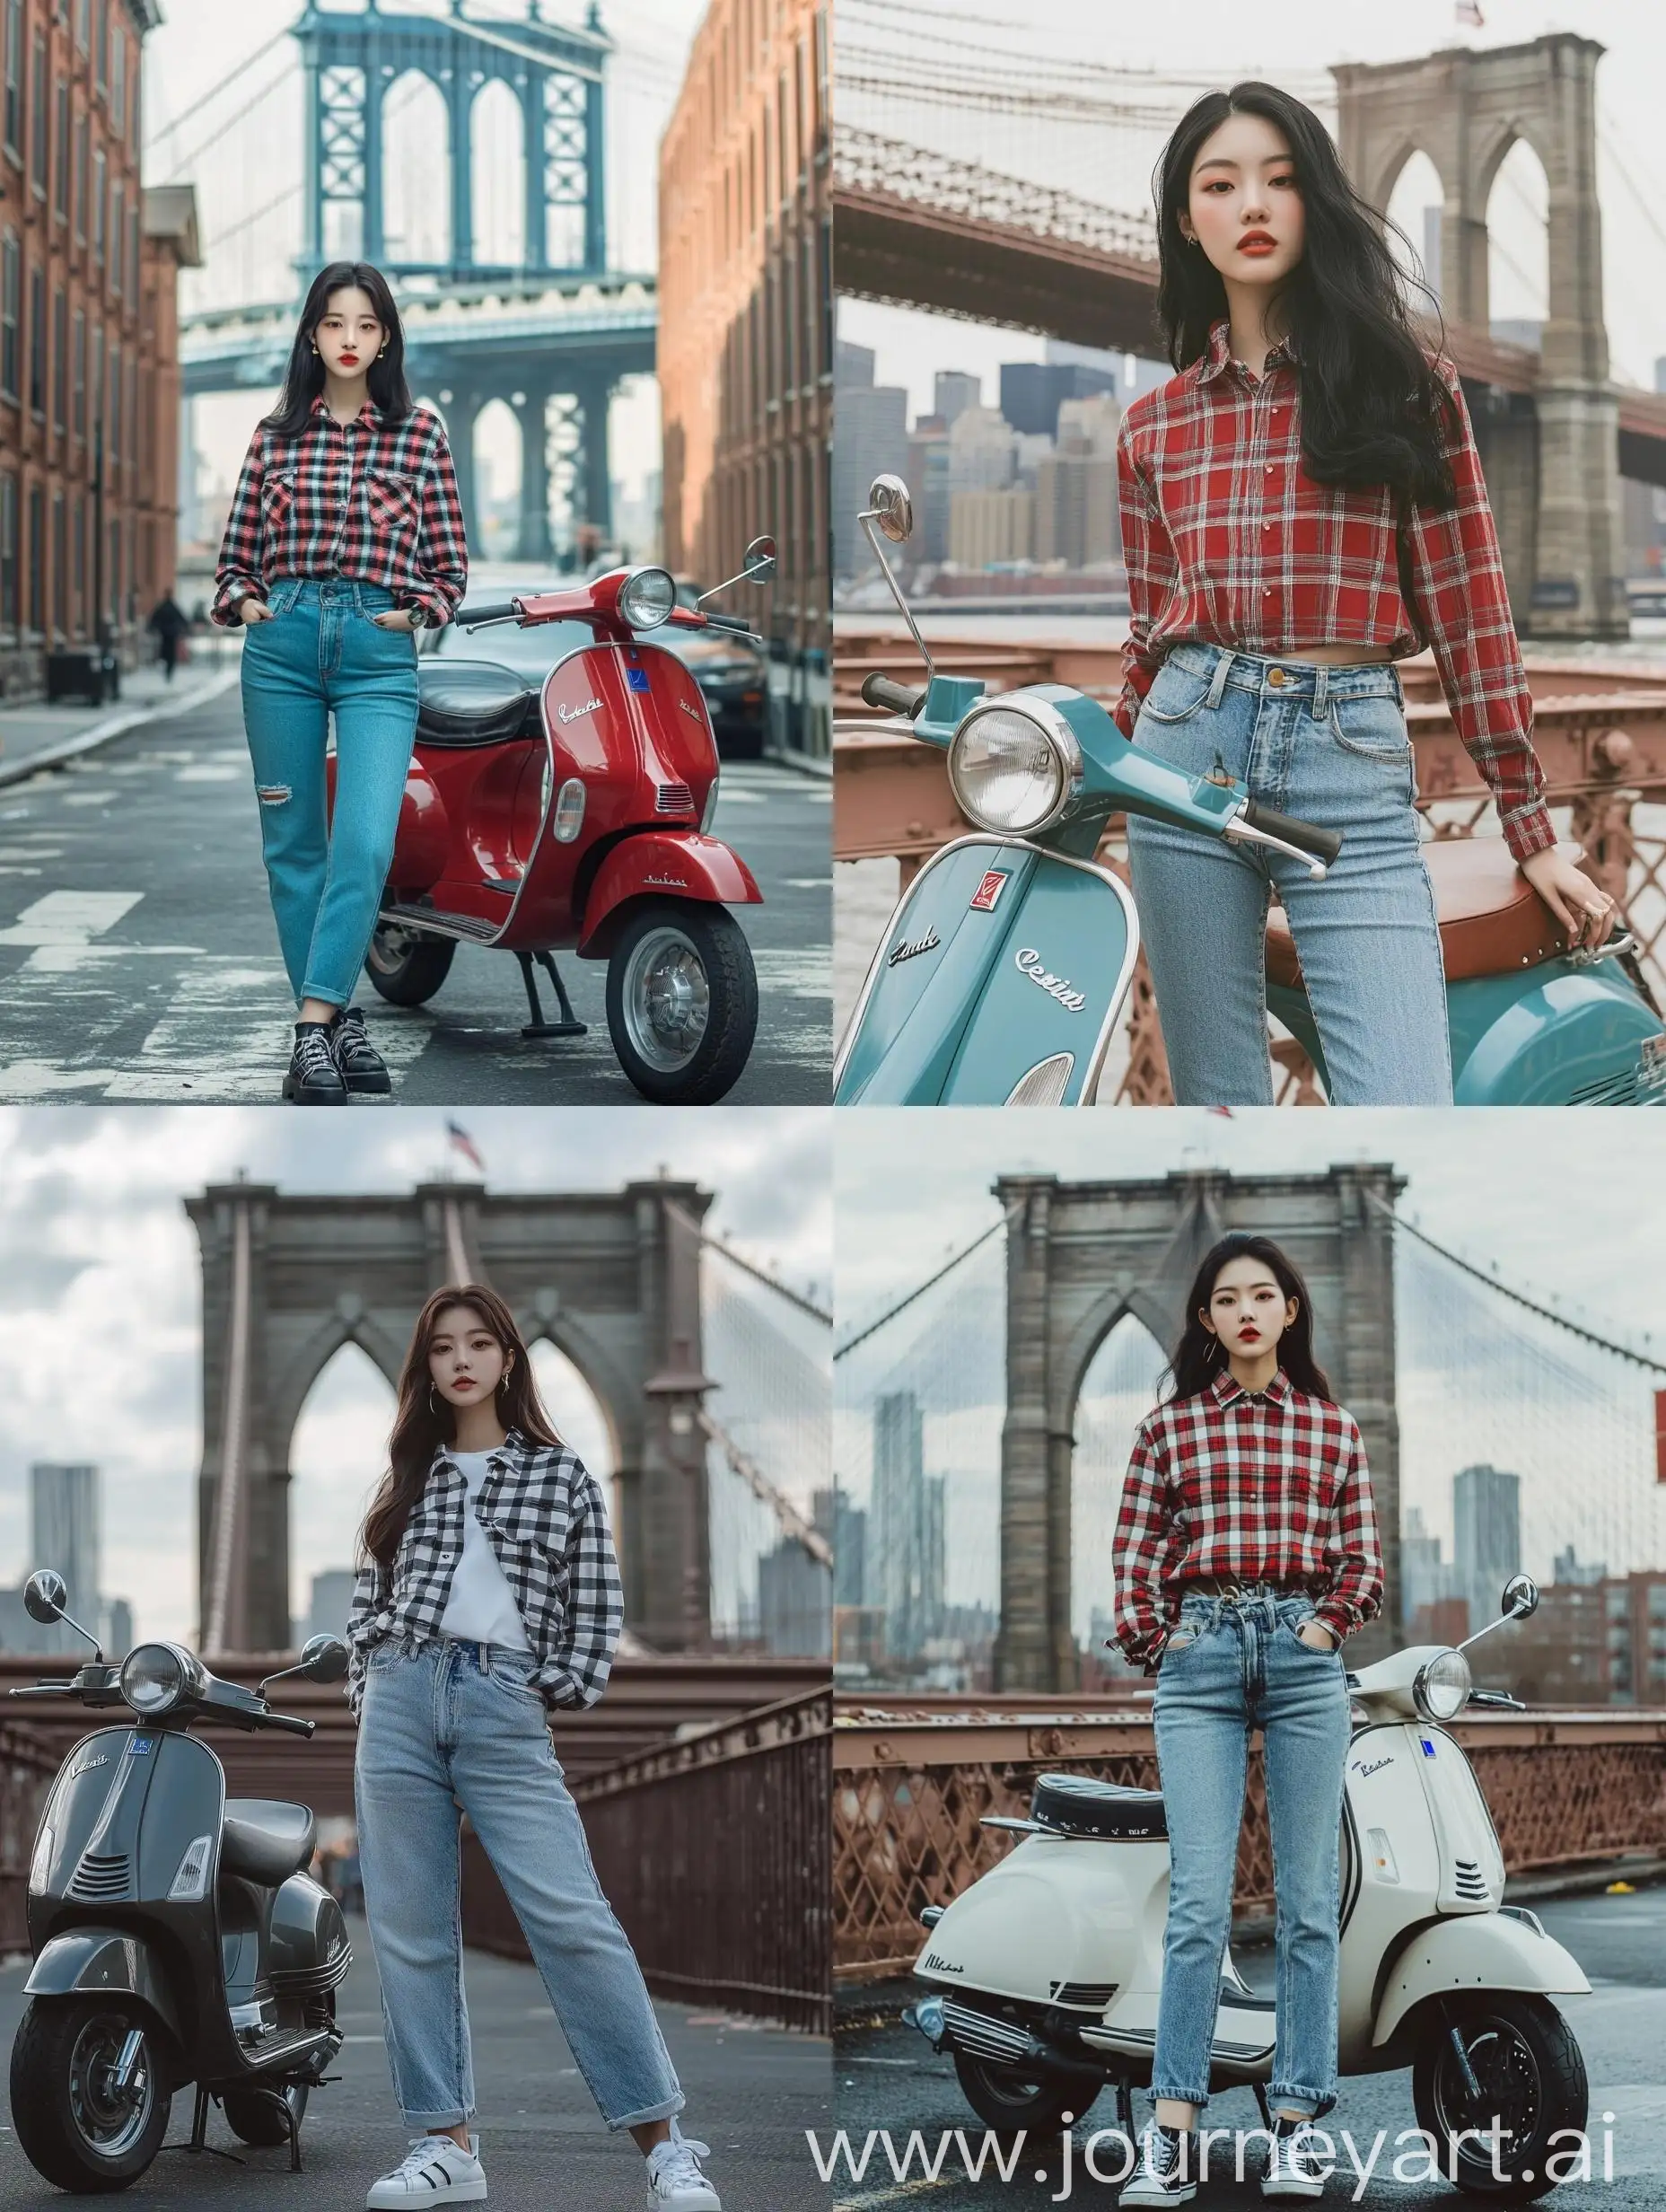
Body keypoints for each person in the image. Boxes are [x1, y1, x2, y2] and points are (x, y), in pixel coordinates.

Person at [1115, 83, 1618, 1107]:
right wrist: (1078, 780)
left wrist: (1531, 830)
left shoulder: (1405, 388)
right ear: (1185, 218)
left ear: (1315, 205)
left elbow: (1471, 617)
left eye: (1280, 180)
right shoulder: (1149, 428)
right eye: (1220, 184)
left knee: (1405, 1108)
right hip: (1181, 756)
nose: (1251, 204)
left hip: (1346, 760)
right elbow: (1145, 634)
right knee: (1220, 1113)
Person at [346, 1285, 720, 2212]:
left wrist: (538, 1689)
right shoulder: (405, 1481)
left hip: (500, 1698)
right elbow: (366, 1606)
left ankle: (665, 2143)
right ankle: (444, 2144)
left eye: (479, 1343)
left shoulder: (562, 1477)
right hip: (397, 1696)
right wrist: (371, 1689)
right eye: (442, 1347)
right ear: (425, 1369)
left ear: (508, 1361)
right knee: (411, 1933)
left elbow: (595, 1615)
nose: (460, 1359)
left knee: (571, 1918)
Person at [1109, 1234, 1383, 2206]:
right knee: (1197, 1903)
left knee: (1309, 1904)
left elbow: (1362, 1562)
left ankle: (1297, 2126)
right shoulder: (1166, 1430)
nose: (1246, 1311)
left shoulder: (1332, 1429)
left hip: (1304, 1665)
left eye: (1263, 1294)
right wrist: (1159, 1640)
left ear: (1288, 1310)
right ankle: (1170, 2132)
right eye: (1226, 1299)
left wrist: (1321, 1627)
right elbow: (1132, 1550)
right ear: (1205, 1321)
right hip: (1202, 1657)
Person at [211, 259, 467, 1105]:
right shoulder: (273, 437)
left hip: (374, 652)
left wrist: (420, 608)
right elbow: (234, 557)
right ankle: (331, 1022)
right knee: (296, 849)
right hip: (280, 646)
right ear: (312, 335)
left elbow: (449, 564)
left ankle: (312, 1032)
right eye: (333, 323)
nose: (349, 339)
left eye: (365, 325)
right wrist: (246, 602)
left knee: (365, 843)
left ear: (384, 337)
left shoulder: (420, 436)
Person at [146, 589, 189, 680]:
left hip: (166, 633)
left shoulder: (164, 606)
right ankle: (168, 670)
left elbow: (154, 618)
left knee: (166, 652)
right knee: (170, 654)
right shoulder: (171, 606)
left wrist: (152, 627)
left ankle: (167, 670)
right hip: (171, 634)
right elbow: (182, 618)